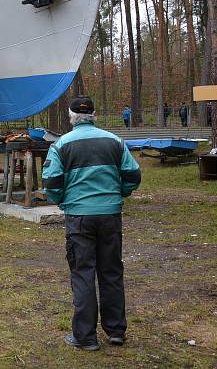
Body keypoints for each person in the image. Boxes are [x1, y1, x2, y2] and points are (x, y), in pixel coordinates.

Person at [42, 95, 141, 351]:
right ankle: (116, 330)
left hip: (79, 217)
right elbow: (133, 175)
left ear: (72, 117)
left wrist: (64, 201)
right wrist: (119, 194)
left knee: (83, 273)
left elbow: (51, 182)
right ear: (94, 115)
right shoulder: (115, 141)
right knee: (111, 272)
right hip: (110, 215)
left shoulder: (61, 145)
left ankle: (85, 337)